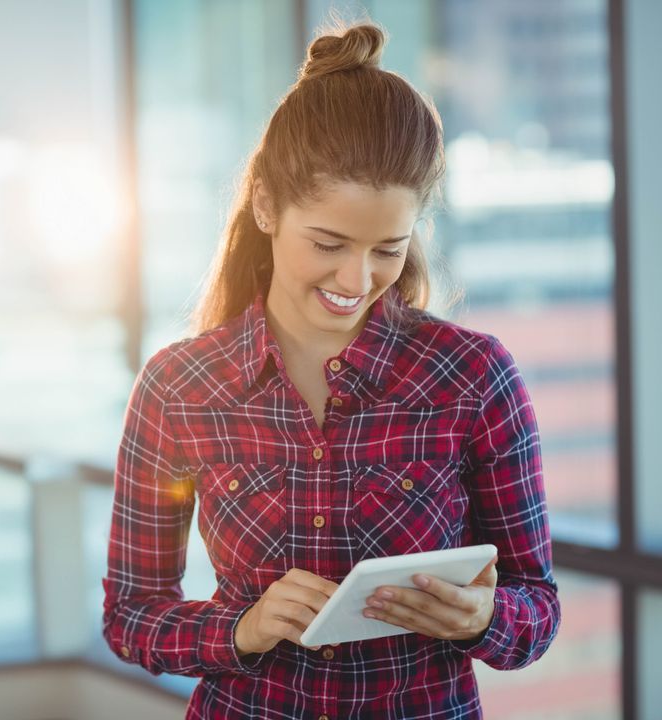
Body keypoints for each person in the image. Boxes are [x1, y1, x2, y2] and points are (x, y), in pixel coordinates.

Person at [100, 20, 561, 719]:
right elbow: (131, 615)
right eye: (329, 242)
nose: (358, 276)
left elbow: (538, 608)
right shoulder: (180, 387)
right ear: (265, 207)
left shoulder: (473, 376)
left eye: (388, 249)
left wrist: (480, 618)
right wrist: (242, 629)